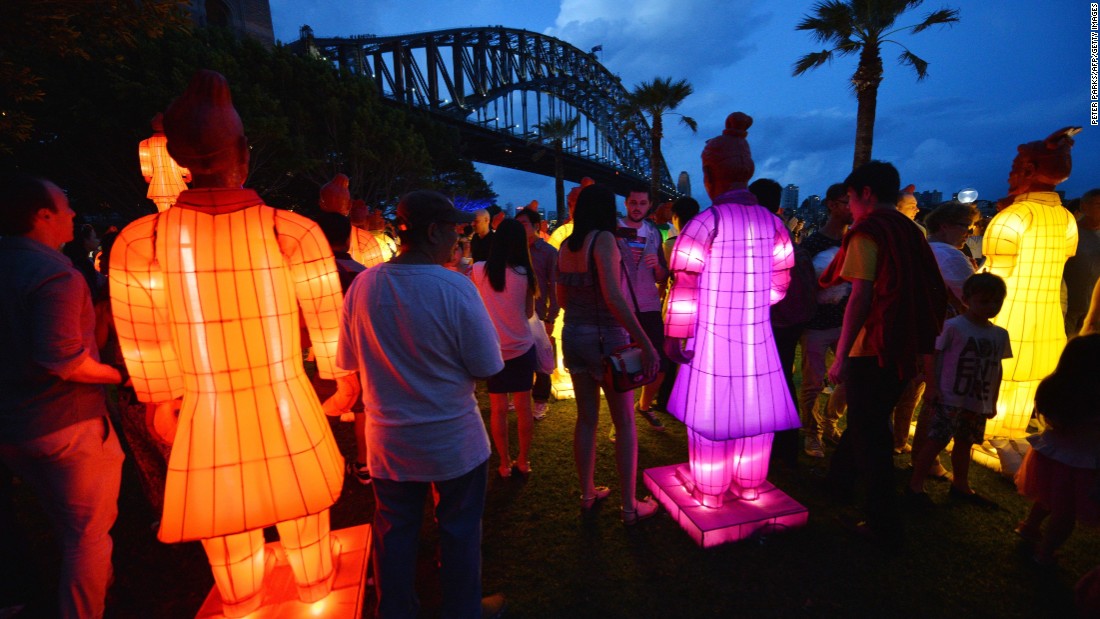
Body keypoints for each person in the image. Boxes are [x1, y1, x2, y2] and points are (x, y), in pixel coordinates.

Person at [110, 70, 348, 616]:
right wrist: (342, 376)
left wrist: (160, 399)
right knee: (300, 500)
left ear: (175, 156)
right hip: (284, 397)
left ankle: (242, 599)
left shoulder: (139, 240)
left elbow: (145, 340)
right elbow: (327, 319)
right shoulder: (292, 231)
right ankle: (314, 585)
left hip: (207, 408)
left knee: (227, 511)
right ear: (243, 150)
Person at [337, 190, 506, 618]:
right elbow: (487, 364)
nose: (458, 238)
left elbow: (348, 361)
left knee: (394, 533)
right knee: (460, 531)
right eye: (453, 230)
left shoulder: (363, 285)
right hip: (453, 439)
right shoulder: (455, 288)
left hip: (389, 441)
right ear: (433, 231)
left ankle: (396, 611)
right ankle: (463, 609)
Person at [0, 172, 126, 619]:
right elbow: (62, 359)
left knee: (62, 517)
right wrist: (116, 375)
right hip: (64, 426)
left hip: (12, 428)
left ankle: (99, 581)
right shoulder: (54, 274)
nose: (74, 214)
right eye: (65, 206)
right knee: (88, 534)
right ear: (42, 215)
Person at [664, 112, 800, 507]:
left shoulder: (704, 223)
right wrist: (752, 302)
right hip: (758, 339)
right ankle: (751, 484)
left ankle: (710, 489)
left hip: (711, 338)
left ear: (708, 176)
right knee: (757, 413)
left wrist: (676, 335)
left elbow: (685, 288)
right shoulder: (774, 224)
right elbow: (781, 282)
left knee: (710, 414)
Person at [823, 160, 946, 546]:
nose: (851, 208)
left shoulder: (869, 230)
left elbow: (861, 297)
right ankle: (838, 483)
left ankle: (883, 523)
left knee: (872, 434)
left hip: (875, 345)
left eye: (851, 199)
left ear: (867, 195)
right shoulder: (912, 231)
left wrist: (841, 354)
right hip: (903, 346)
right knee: (868, 419)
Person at [558, 184, 660, 525]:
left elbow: (561, 300)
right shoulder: (603, 240)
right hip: (606, 339)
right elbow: (615, 298)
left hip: (573, 335)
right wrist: (644, 342)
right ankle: (630, 507)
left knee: (586, 418)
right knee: (625, 422)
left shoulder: (565, 246)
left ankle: (588, 494)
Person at [983, 127, 1081, 439]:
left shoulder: (1014, 217)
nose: (1010, 174)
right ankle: (1011, 435)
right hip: (1048, 322)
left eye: (1015, 168)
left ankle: (984, 435)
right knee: (1026, 387)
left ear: (1029, 170)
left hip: (1009, 318)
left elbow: (993, 276)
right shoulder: (1067, 219)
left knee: (999, 382)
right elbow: (1063, 261)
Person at [907, 273, 1012, 504]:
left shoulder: (999, 335)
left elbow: (997, 368)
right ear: (966, 299)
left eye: (996, 302)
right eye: (984, 301)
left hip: (976, 400)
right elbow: (932, 355)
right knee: (936, 440)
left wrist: (992, 400)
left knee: (965, 442)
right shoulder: (953, 327)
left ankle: (960, 485)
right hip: (949, 397)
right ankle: (915, 485)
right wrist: (932, 386)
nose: (991, 307)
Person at [1013, 334, 1100, 566]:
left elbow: (1050, 418)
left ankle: (1030, 527)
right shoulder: (1092, 399)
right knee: (1065, 513)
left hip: (1050, 456)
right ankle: (1044, 554)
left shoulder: (1055, 387)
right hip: (1080, 464)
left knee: (1047, 496)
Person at [472, 218, 538, 478]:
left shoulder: (479, 270)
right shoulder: (525, 274)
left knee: (498, 409)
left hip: (493, 348)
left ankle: (503, 463)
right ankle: (523, 460)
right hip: (521, 347)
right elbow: (530, 312)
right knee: (524, 408)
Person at [313, 212, 370, 483]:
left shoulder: (309, 273)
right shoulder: (362, 274)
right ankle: (364, 464)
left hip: (324, 352)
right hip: (358, 353)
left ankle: (323, 465)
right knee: (362, 410)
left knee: (324, 411)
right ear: (348, 239)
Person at [799, 183, 852, 458]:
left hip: (846, 321)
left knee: (849, 378)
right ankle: (812, 433)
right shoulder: (812, 244)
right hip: (817, 324)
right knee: (813, 382)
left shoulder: (854, 240)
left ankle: (830, 423)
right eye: (846, 202)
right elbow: (803, 287)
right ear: (831, 204)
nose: (851, 208)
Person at [617, 186, 670, 431]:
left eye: (642, 203)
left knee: (659, 359)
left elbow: (661, 275)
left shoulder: (653, 233)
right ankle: (622, 418)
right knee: (622, 364)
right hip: (621, 304)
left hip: (648, 304)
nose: (637, 207)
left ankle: (644, 405)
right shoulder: (614, 230)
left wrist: (657, 266)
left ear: (649, 206)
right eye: (633, 202)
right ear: (626, 203)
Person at [515, 208, 559, 420]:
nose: (520, 228)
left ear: (535, 226)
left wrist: (552, 316)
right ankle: (520, 396)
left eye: (523, 224)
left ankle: (540, 401)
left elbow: (554, 286)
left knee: (543, 358)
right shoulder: (513, 251)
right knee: (519, 358)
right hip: (515, 313)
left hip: (540, 313)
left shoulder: (548, 252)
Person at [138, 112, 191, 212]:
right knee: (179, 215)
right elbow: (185, 169)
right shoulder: (176, 143)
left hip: (158, 187)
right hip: (177, 185)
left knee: (163, 216)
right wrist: (185, 177)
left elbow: (147, 177)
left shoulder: (145, 144)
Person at [1064, 188, 1100, 335]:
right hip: (1069, 305)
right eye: (1098, 204)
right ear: (1084, 207)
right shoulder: (1070, 232)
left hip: (1096, 309)